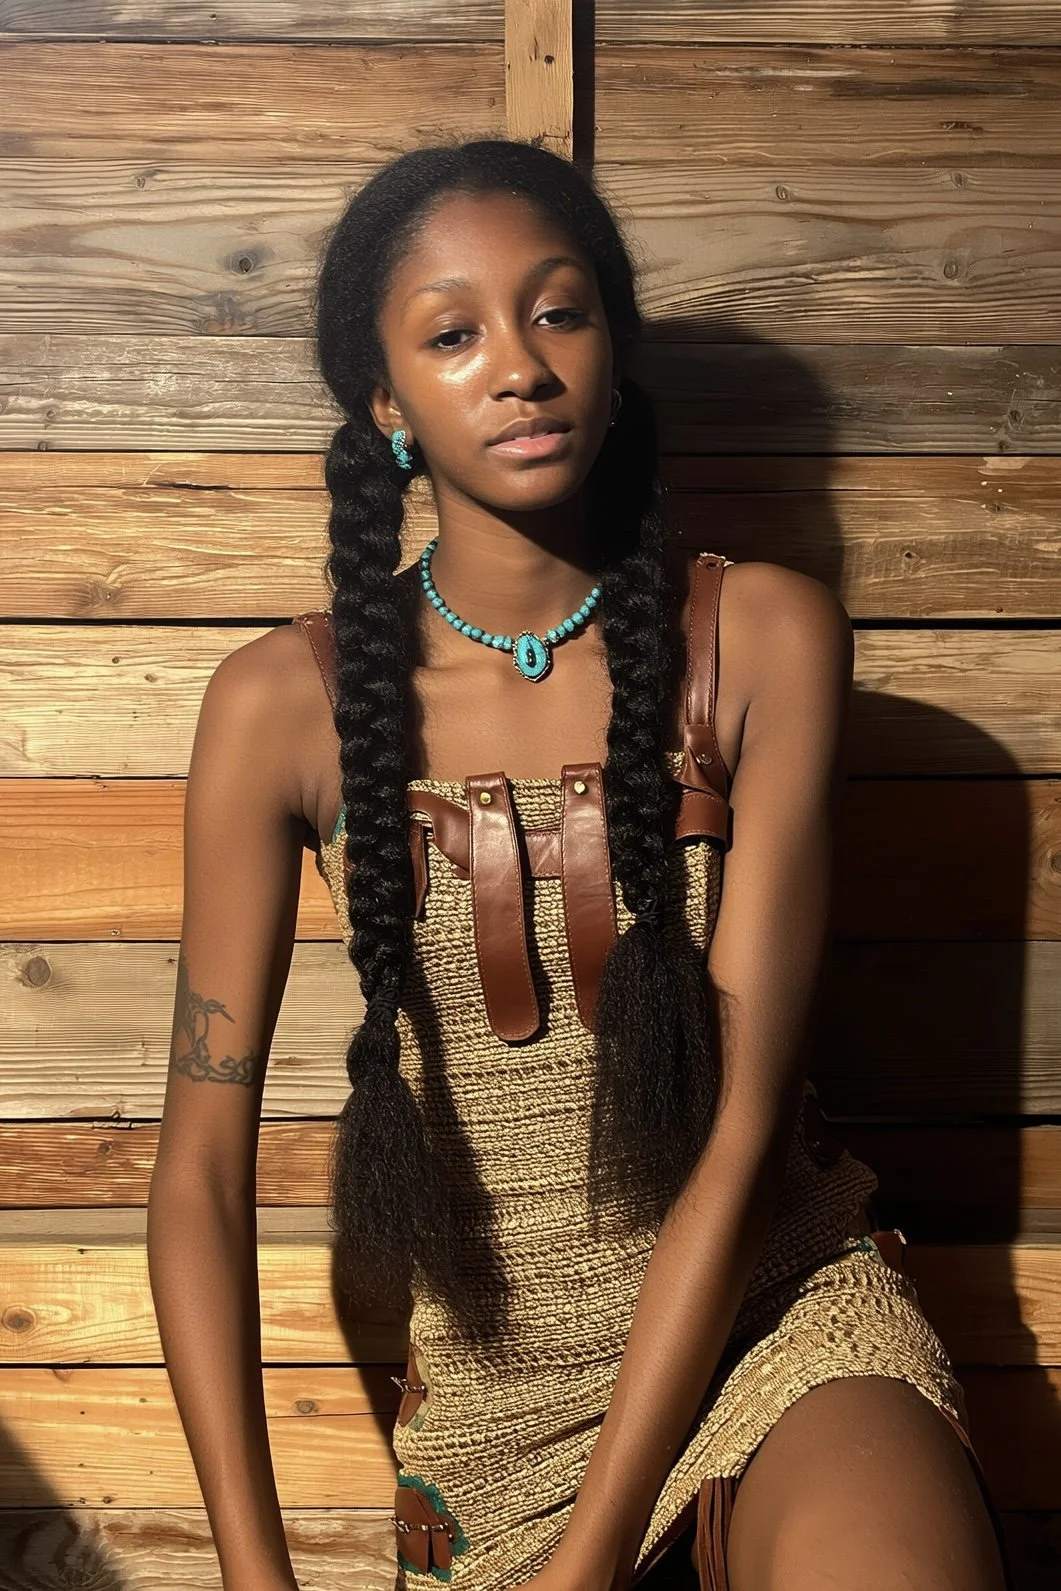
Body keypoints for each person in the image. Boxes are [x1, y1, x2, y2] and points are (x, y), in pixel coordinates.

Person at [147, 138, 1013, 1591]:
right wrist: (254, 1576)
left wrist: (600, 1553)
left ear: (615, 356)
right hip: (499, 1418)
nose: (521, 365)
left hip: (773, 1323)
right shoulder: (274, 709)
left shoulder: (762, 640)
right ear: (387, 405)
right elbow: (195, 1179)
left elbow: (738, 1136)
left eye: (559, 312)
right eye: (451, 331)